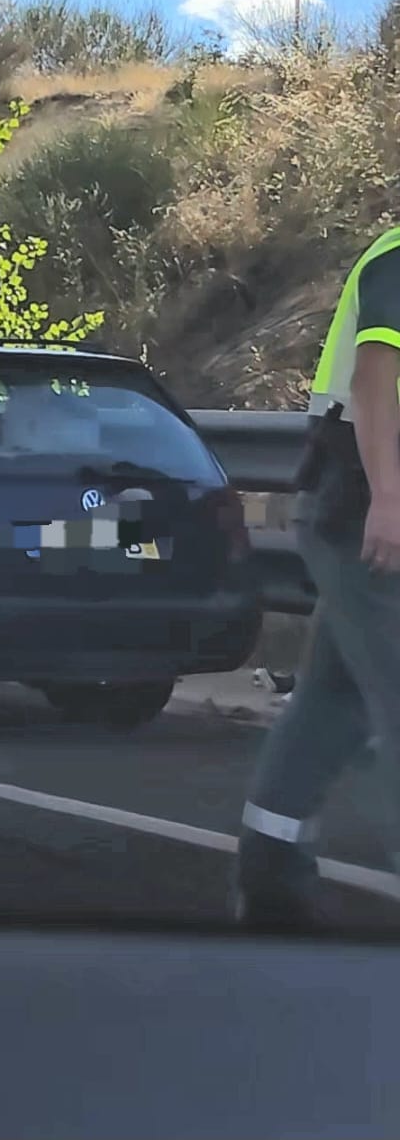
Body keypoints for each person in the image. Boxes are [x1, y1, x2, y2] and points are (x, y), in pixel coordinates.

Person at [235, 225, 400, 930]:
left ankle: (271, 873)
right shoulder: (397, 258)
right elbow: (373, 377)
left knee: (334, 698)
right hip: (363, 505)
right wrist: (389, 499)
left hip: (359, 503)